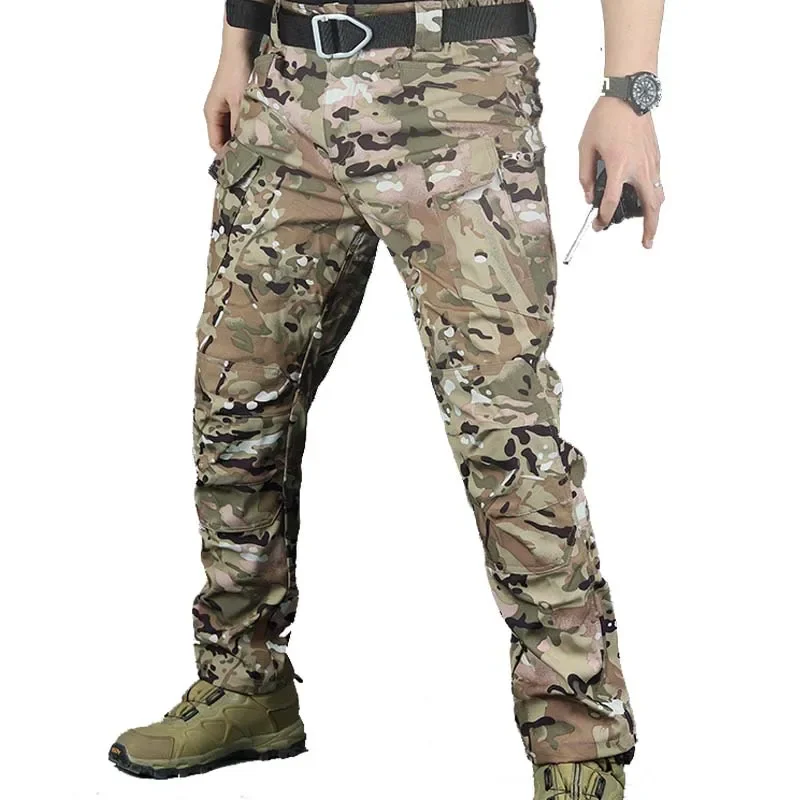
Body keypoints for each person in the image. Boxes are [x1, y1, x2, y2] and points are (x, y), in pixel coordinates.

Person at [108, 0, 664, 796]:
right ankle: (243, 682)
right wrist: (237, 45)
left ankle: (577, 743)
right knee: (237, 403)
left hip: (457, 92)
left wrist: (629, 92)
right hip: (287, 87)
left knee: (502, 433)